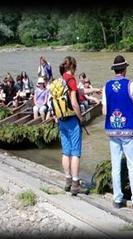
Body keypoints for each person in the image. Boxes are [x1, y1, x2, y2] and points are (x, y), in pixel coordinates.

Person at [103, 55, 133, 210]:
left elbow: (105, 111)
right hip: (128, 131)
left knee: (115, 166)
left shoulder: (106, 85)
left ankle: (117, 199)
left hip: (112, 130)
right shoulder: (130, 85)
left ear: (115, 70)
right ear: (125, 69)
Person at [57, 56, 84, 195]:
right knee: (75, 152)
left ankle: (67, 181)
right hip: (72, 119)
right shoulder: (71, 80)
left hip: (61, 119)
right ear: (72, 66)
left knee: (65, 151)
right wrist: (81, 117)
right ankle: (75, 183)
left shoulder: (60, 79)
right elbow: (74, 103)